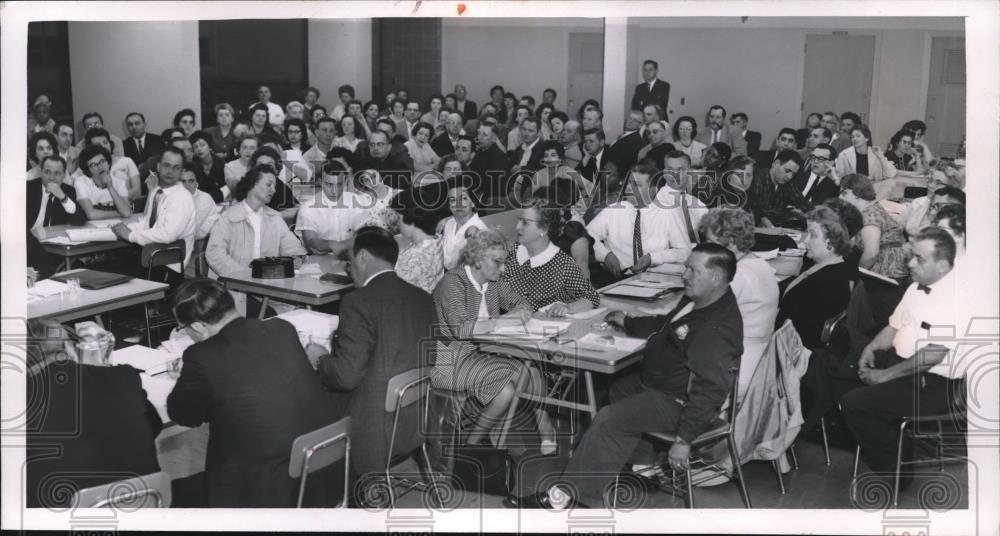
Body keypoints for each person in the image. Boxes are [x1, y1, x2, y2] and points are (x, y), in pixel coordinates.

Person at [515, 244, 743, 509]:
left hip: (679, 402)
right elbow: (666, 327)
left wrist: (684, 440)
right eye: (686, 267)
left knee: (609, 419)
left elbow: (710, 390)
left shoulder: (715, 328)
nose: (685, 275)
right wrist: (628, 322)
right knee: (616, 387)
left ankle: (569, 497)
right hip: (662, 384)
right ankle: (641, 467)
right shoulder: (701, 299)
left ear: (716, 277)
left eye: (693, 270)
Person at [166, 279, 339, 507]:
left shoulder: (201, 356)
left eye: (183, 328)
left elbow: (184, 415)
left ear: (197, 327)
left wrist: (191, 381)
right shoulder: (282, 328)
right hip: (329, 468)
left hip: (272, 490)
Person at [303, 226, 435, 492]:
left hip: (372, 426)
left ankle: (316, 492)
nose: (347, 266)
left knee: (293, 400)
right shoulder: (423, 298)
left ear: (363, 257)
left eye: (349, 259)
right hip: (414, 418)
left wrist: (320, 359)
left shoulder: (357, 301)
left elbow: (345, 376)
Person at [840, 228, 966, 480]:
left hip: (935, 383)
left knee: (854, 403)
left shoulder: (956, 298)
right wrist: (872, 347)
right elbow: (895, 325)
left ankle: (898, 470)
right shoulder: (916, 287)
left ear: (942, 266)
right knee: (841, 374)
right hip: (905, 366)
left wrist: (885, 375)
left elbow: (933, 355)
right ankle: (893, 442)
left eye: (919, 259)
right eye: (912, 256)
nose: (910, 263)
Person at [431, 228, 557, 451]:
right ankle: (474, 444)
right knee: (508, 389)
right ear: (477, 260)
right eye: (498, 262)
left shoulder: (493, 281)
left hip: (475, 355)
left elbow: (522, 302)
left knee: (533, 372)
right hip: (445, 361)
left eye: (504, 261)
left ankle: (540, 429)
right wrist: (504, 320)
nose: (504, 267)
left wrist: (523, 311)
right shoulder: (453, 282)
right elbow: (461, 329)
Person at [25, 318, 162, 509]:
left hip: (63, 517)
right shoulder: (124, 377)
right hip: (142, 506)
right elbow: (155, 426)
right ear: (70, 347)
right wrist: (99, 364)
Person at [699, 208, 779, 395]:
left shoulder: (737, 276)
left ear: (732, 242)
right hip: (757, 362)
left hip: (735, 369)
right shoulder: (760, 265)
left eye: (711, 243)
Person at [587, 163, 691, 279]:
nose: (629, 188)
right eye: (629, 183)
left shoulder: (669, 213)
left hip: (654, 279)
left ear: (653, 190)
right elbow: (586, 235)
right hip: (615, 279)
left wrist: (653, 258)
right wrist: (605, 255)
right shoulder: (614, 209)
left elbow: (684, 252)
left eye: (636, 185)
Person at [501, 197, 601, 315]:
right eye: (519, 220)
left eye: (525, 222)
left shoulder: (563, 264)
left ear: (544, 228)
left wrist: (569, 308)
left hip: (537, 327)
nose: (517, 227)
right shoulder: (508, 252)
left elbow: (591, 297)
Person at [205, 165, 307, 278]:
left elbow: (292, 247)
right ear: (252, 184)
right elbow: (214, 253)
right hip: (232, 287)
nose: (274, 190)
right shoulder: (228, 217)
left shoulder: (275, 218)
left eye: (274, 186)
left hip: (266, 286)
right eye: (269, 185)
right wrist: (243, 275)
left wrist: (296, 257)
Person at [777, 205, 855, 350]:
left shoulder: (826, 282)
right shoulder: (835, 267)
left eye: (813, 235)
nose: (806, 241)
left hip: (792, 352)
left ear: (830, 243)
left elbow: (796, 330)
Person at [110, 146, 196, 275]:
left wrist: (130, 235)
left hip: (167, 267)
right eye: (167, 165)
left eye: (176, 168)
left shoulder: (182, 197)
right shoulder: (157, 191)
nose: (170, 171)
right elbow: (147, 224)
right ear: (158, 166)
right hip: (149, 258)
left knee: (110, 271)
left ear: (181, 171)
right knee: (105, 264)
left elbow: (167, 235)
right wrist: (122, 228)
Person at [838, 173, 909, 280]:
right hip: (890, 265)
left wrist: (855, 276)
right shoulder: (873, 208)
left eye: (844, 192)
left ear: (856, 193)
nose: (840, 197)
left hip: (887, 269)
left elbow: (871, 254)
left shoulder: (869, 216)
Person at [296, 161, 368, 256]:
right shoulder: (307, 208)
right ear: (320, 182)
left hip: (351, 258)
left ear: (345, 182)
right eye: (329, 184)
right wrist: (330, 244)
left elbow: (364, 236)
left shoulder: (355, 201)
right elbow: (310, 242)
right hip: (319, 263)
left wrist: (333, 246)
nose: (334, 191)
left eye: (339, 185)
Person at [746, 149, 808, 228]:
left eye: (793, 174)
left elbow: (805, 205)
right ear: (775, 164)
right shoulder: (756, 179)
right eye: (787, 170)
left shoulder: (788, 184)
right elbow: (753, 210)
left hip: (776, 230)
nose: (789, 177)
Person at [900, 162, 965, 238]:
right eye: (930, 180)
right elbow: (897, 225)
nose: (930, 185)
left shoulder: (953, 216)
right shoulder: (919, 202)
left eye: (938, 182)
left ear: (952, 189)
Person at [515, 140, 591, 201]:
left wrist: (580, 200)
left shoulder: (569, 172)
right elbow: (535, 199)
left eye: (553, 155)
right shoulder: (537, 175)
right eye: (546, 155)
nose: (548, 159)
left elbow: (590, 187)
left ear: (560, 159)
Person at [73, 144, 133, 220]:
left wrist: (110, 186)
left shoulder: (119, 182)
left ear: (108, 163)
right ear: (88, 170)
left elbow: (127, 213)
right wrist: (119, 212)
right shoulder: (81, 183)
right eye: (93, 165)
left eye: (102, 161)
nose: (100, 167)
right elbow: (91, 215)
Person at [394, 205, 445, 294]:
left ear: (412, 222)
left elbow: (395, 289)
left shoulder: (414, 257)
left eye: (399, 219)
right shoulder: (436, 241)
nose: (398, 223)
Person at [440, 183, 490, 271]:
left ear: (473, 203)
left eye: (463, 198)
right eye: (453, 200)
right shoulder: (449, 223)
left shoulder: (481, 231)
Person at [27, 155, 81, 229]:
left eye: (57, 173)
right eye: (47, 172)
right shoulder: (28, 188)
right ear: (41, 172)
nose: (52, 178)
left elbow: (78, 220)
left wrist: (63, 198)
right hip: (30, 236)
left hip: (53, 237)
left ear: (64, 175)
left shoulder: (68, 190)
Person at [470, 122, 512, 201]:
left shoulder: (499, 157)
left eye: (485, 135)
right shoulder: (480, 151)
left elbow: (500, 188)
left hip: (490, 201)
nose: (480, 137)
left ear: (494, 138)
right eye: (479, 133)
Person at [190, 130, 226, 201]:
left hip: (220, 200)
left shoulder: (220, 163)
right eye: (195, 147)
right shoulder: (193, 165)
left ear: (210, 147)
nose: (199, 149)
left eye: (202, 145)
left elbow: (225, 187)